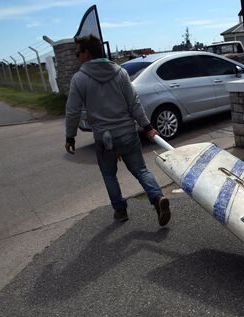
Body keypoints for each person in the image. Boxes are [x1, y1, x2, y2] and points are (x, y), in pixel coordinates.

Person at [65, 35, 170, 226]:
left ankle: (121, 212)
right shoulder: (120, 72)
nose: (77, 56)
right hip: (127, 133)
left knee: (109, 175)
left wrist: (70, 136)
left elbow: (72, 111)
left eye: (78, 53)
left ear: (87, 53)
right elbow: (134, 103)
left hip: (104, 139)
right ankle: (157, 198)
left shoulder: (79, 78)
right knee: (140, 169)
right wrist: (147, 127)